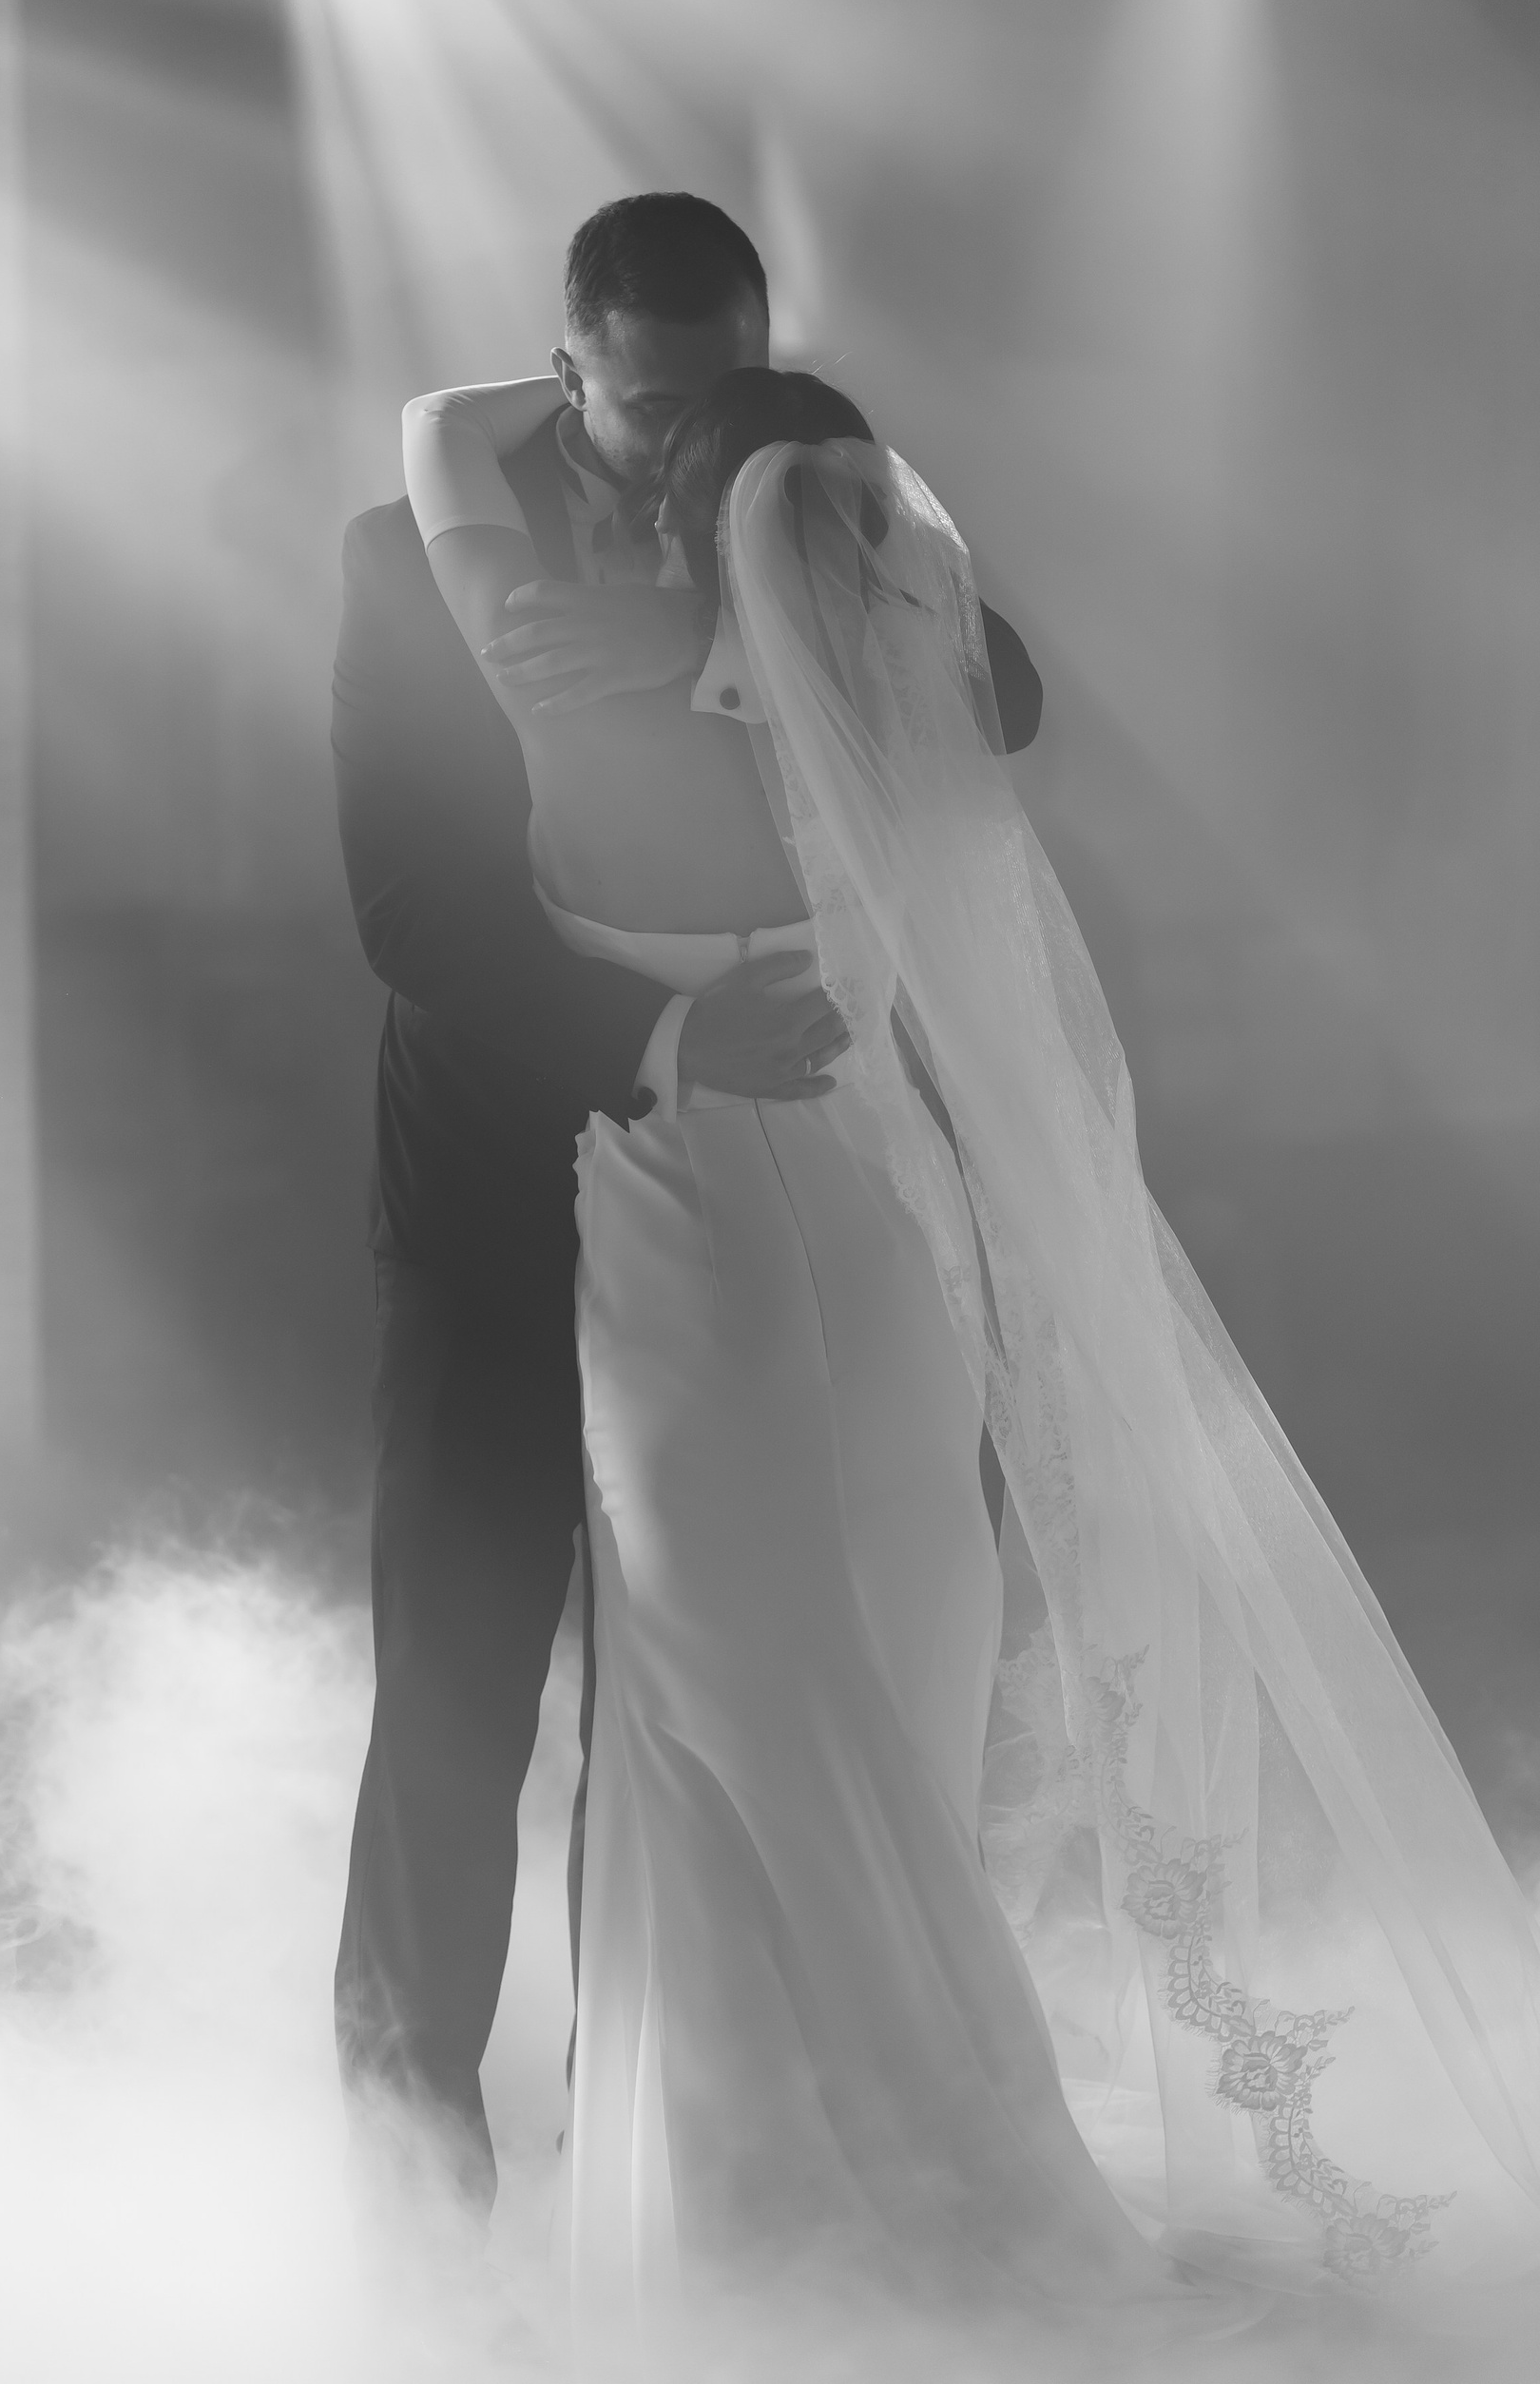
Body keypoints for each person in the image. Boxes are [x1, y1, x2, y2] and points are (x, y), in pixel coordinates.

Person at [404, 352, 1540, 2335]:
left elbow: (438, 440)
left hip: (699, 1203)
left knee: (732, 1696)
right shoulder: (899, 711)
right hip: (879, 1199)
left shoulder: (585, 704)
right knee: (878, 1658)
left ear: (693, 515)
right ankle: (876, 2174)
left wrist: (580, 379)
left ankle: (825, 2188)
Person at [330, 194, 1048, 2204]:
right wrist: (657, 1041)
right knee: (462, 1669)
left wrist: (729, 631)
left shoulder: (808, 509)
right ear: (567, 370)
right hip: (506, 1163)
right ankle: (411, 2177)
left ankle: (660, 2157)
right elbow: (410, 907)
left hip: (763, 1171)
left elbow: (999, 696)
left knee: (718, 1661)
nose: (686, 439)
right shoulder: (409, 557)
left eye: (723, 390)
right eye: (648, 406)